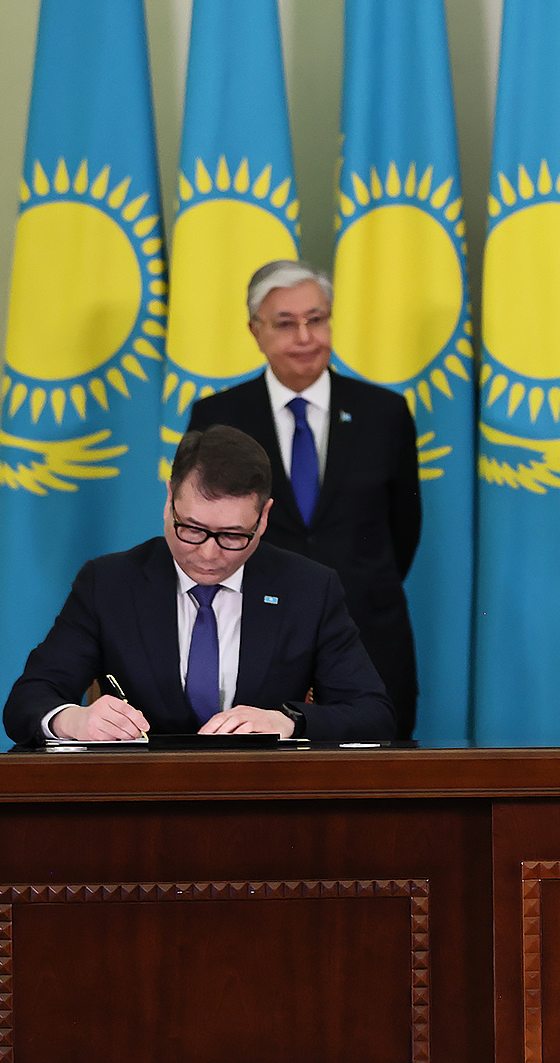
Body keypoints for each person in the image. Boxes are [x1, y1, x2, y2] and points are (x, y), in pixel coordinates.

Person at [4, 425, 395, 745]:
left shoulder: (308, 589)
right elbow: (28, 698)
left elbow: (373, 713)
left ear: (263, 518)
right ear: (170, 499)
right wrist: (71, 720)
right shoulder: (109, 584)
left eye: (232, 535)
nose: (208, 554)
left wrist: (289, 722)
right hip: (140, 796)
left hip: (264, 796)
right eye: (191, 529)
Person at [188, 260, 421, 738]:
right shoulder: (219, 417)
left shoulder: (385, 413)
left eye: (316, 319)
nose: (305, 337)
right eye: (285, 323)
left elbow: (404, 528)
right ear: (255, 331)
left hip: (369, 638)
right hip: (256, 637)